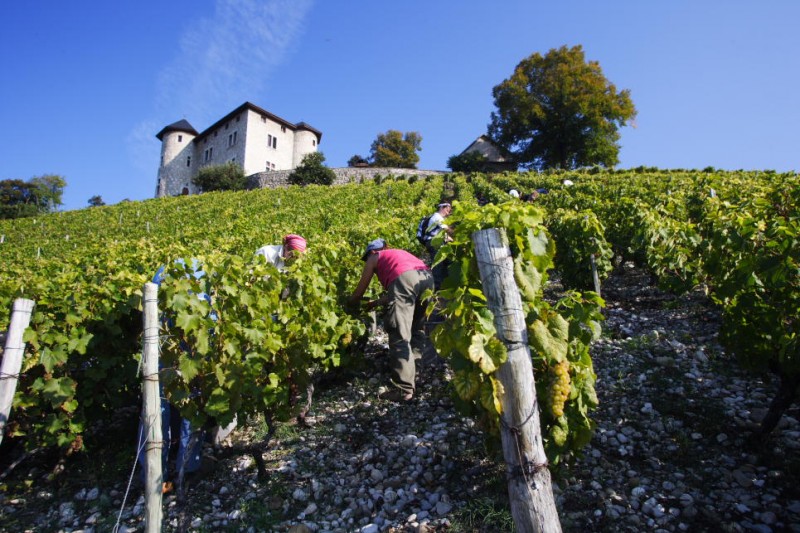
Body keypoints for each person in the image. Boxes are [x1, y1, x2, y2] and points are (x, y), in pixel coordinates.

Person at [349, 239, 434, 402]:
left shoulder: (374, 257)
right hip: (427, 279)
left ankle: (404, 389)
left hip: (406, 280)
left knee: (399, 332)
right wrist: (375, 303)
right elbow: (403, 284)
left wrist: (350, 303)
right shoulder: (400, 254)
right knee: (417, 330)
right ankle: (415, 375)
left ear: (372, 252)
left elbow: (361, 290)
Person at [419, 203, 453, 289]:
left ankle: (445, 285)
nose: (448, 213)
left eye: (449, 211)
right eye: (447, 210)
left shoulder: (439, 218)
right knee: (438, 264)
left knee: (446, 262)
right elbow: (447, 230)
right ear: (441, 208)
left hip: (435, 241)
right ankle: (437, 288)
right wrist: (458, 234)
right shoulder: (437, 217)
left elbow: (440, 233)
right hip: (433, 242)